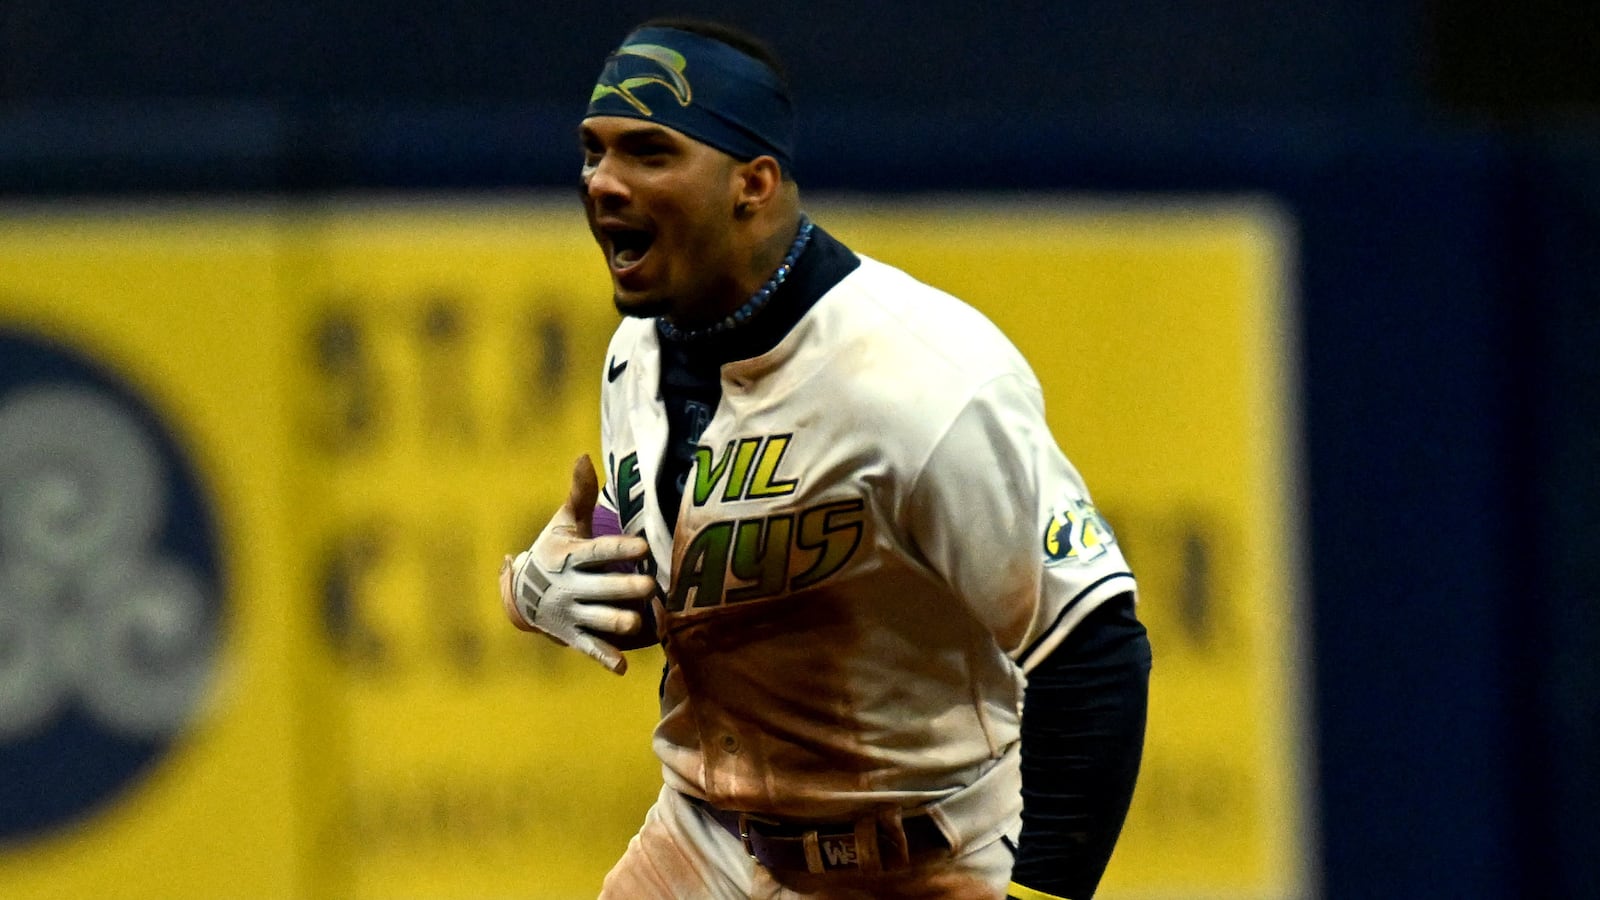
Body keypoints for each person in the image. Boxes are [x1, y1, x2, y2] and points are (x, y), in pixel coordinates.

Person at [499, 17, 1152, 900]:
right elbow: (694, 590)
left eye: (649, 153)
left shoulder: (921, 376)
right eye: (593, 151)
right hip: (709, 843)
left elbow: (1093, 647)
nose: (603, 183)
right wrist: (543, 586)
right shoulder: (636, 353)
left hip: (924, 857)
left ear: (753, 184)